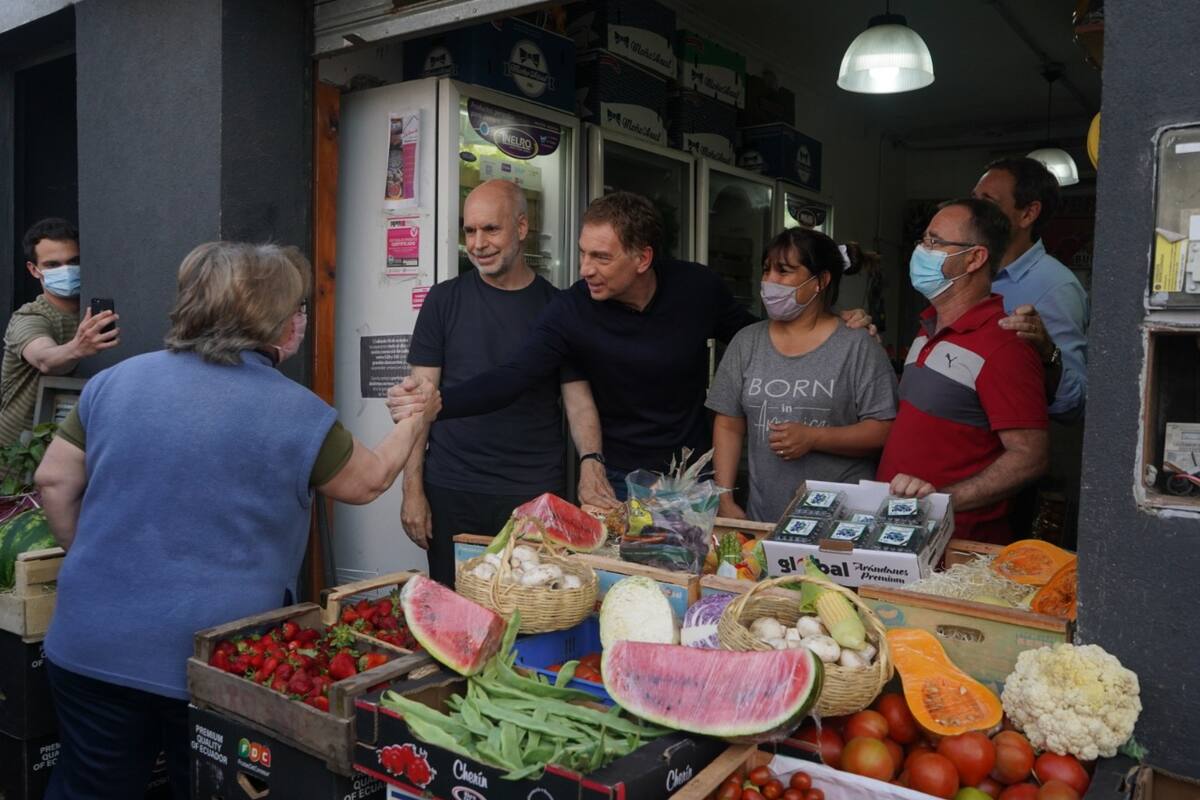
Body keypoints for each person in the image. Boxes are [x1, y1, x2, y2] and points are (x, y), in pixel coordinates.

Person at [33, 242, 438, 800]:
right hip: (218, 662)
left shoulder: (114, 382)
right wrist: (415, 419)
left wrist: (92, 559)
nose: (300, 319)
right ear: (273, 321)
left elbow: (53, 481)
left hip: (88, 643)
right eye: (297, 308)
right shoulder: (296, 410)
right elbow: (367, 481)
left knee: (90, 787)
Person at [388, 192, 875, 499]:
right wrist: (439, 403)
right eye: (583, 253)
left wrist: (832, 323)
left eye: (601, 257)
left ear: (643, 258)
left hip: (693, 475)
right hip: (617, 477)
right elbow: (512, 377)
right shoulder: (572, 309)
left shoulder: (697, 288)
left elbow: (760, 339)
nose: (585, 269)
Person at [402, 180, 611, 585]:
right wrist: (412, 489)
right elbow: (419, 405)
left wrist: (591, 462)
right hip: (451, 489)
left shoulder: (557, 307)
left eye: (490, 229)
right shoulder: (442, 301)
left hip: (533, 494)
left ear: (521, 227)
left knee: (529, 612)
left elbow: (579, 402)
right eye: (469, 231)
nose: (478, 244)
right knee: (455, 609)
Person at [879, 198, 1049, 544]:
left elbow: (1030, 457)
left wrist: (942, 501)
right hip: (899, 534)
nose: (921, 251)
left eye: (934, 242)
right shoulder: (927, 329)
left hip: (954, 547)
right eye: (923, 241)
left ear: (974, 258)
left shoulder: (1004, 345)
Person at [707, 228, 898, 523]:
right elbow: (729, 424)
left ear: (821, 280)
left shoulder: (857, 344)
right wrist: (725, 498)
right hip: (765, 518)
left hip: (841, 523)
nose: (770, 281)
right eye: (767, 270)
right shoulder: (747, 342)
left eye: (784, 271)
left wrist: (814, 437)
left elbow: (883, 430)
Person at [972, 157, 1089, 419]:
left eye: (987, 202)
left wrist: (1048, 354)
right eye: (973, 199)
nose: (973, 212)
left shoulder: (1056, 287)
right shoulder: (972, 268)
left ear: (1028, 214)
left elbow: (1075, 404)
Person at [0, 218, 119, 445]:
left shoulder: (92, 311)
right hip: (18, 455)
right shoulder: (30, 317)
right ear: (34, 270)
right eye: (53, 265)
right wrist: (77, 348)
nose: (66, 271)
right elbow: (45, 359)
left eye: (74, 262)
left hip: (72, 442)